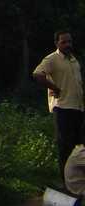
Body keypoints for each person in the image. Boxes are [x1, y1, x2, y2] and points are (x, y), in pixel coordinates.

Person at [33, 31, 85, 179]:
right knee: (65, 147)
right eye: (64, 42)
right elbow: (37, 74)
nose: (67, 45)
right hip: (62, 108)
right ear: (57, 43)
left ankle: (77, 181)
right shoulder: (52, 59)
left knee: (79, 147)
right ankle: (65, 182)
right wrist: (54, 88)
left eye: (69, 41)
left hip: (78, 108)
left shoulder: (73, 60)